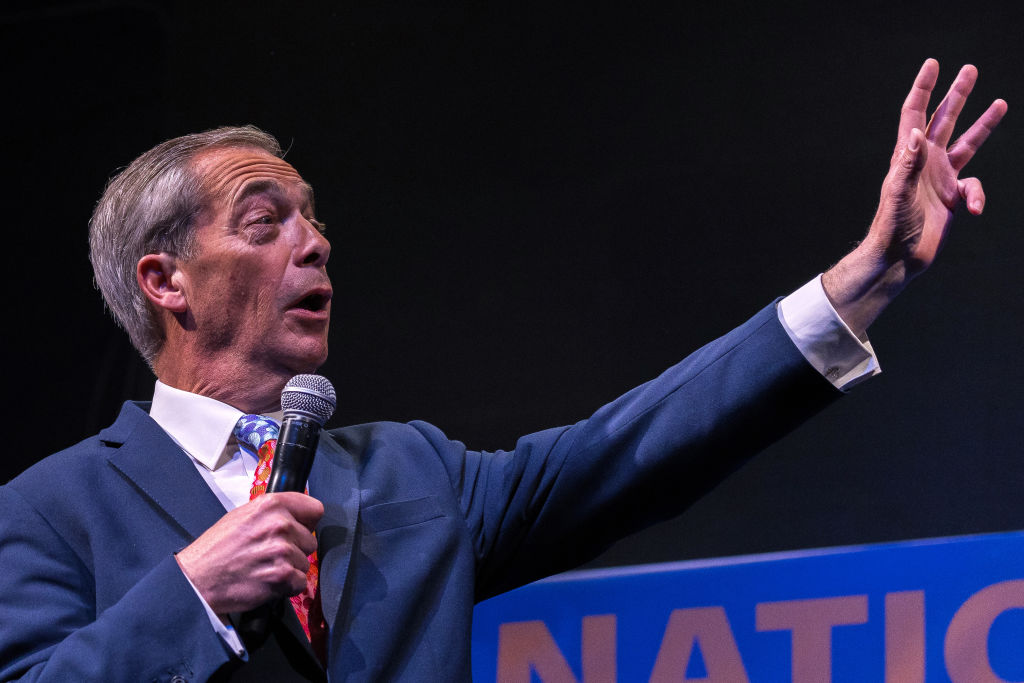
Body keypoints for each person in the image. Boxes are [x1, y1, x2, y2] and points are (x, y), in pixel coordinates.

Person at [0, 59, 1006, 682]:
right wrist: (194, 595)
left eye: (313, 219)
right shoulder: (46, 512)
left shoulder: (410, 472)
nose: (315, 243)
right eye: (266, 222)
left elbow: (631, 448)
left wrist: (862, 279)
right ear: (165, 281)